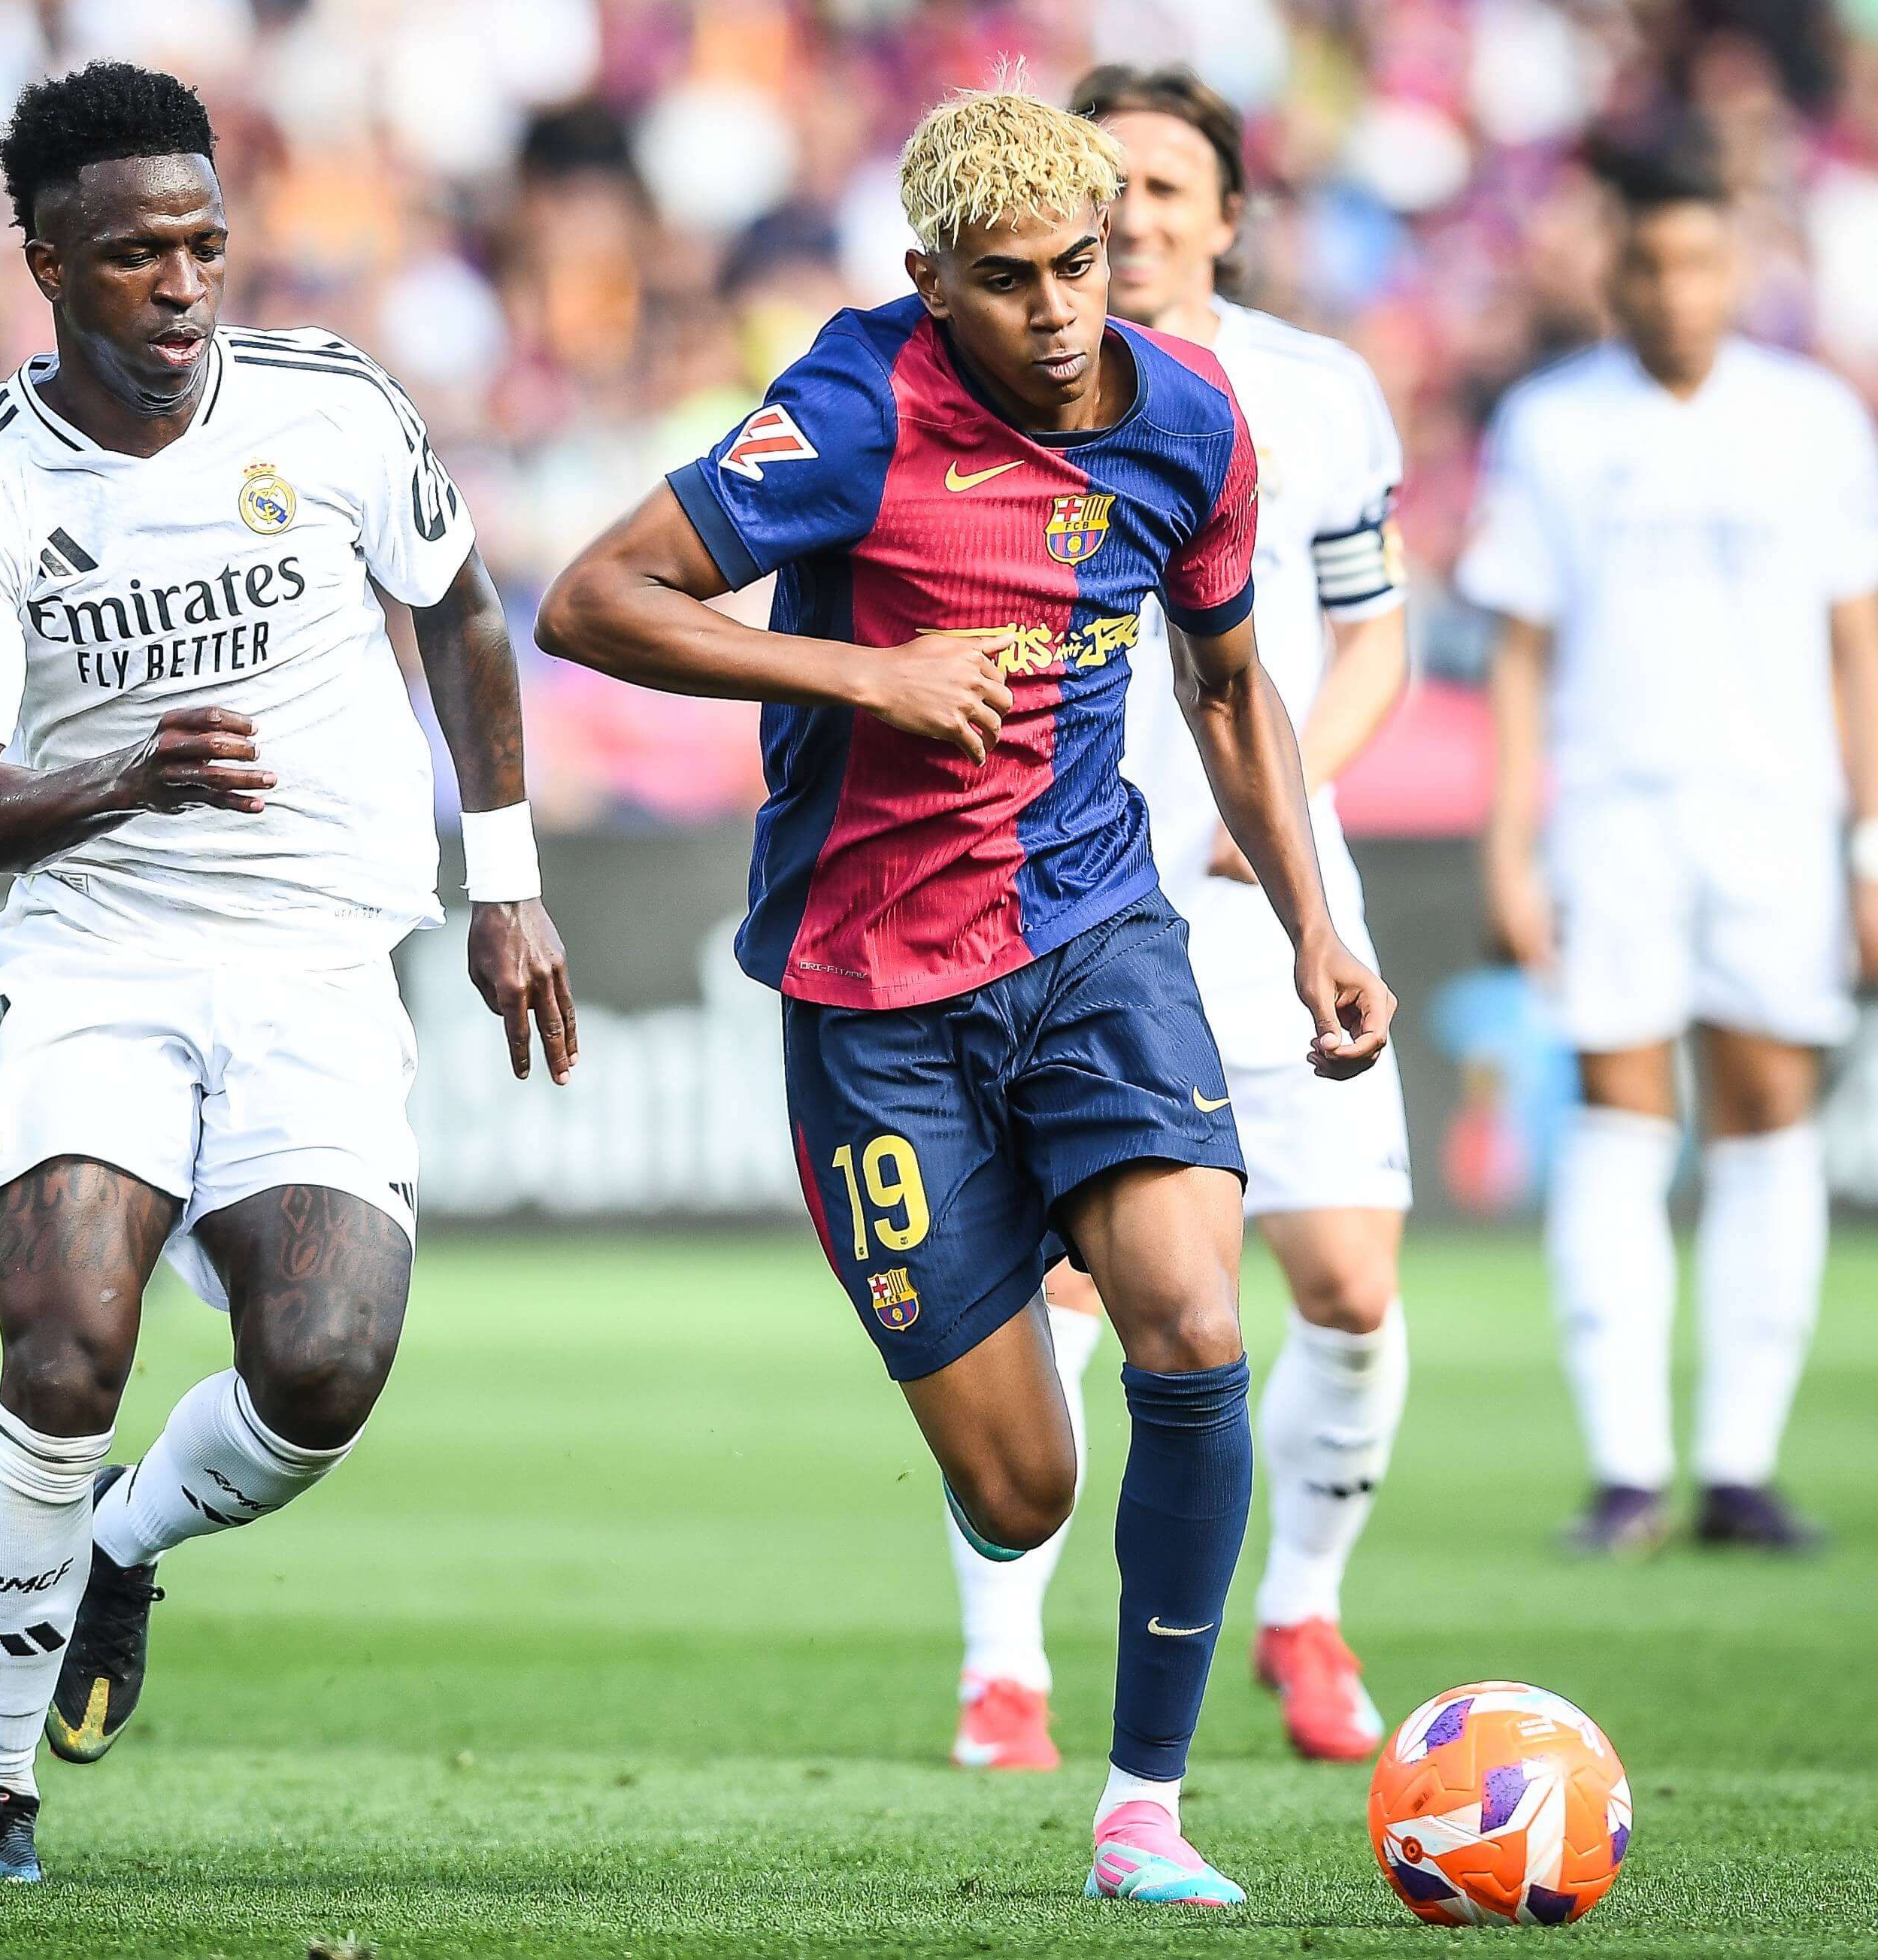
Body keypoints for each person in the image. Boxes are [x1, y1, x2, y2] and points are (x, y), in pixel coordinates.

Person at [538, 86, 1393, 1910]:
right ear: (932, 280)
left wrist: (1318, 922)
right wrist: (864, 674)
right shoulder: (852, 404)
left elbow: (1232, 689)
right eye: (1009, 281)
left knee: (1188, 1312)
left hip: (1098, 936)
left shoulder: (1191, 420)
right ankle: (1017, 1589)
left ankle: (1145, 1810)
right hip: (872, 993)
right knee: (1023, 1491)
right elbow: (593, 601)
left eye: (1081, 264)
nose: (1063, 311)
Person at [0, 62, 576, 1883]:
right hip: (97, 959)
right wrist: (126, 768)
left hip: (317, 957)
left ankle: (120, 1547)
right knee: (66, 1342)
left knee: (327, 1364)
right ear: (44, 261)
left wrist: (501, 878)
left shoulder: (335, 406)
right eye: (134, 257)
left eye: (204, 244)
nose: (184, 286)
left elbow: (458, 610)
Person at [924, 65, 1419, 1778]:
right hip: (1061, 901)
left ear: (1224, 213)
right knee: (1078, 1287)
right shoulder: (985, 389)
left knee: (1348, 1282)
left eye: (1161, 186)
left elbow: (1370, 640)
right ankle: (1008, 1674)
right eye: (1103, 182)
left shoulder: (1313, 393)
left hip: (1260, 880)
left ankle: (1303, 1605)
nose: (1128, 214)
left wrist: (1272, 812)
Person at [1458, 132, 1878, 1559]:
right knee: (1620, 1106)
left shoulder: (1814, 420)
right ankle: (1626, 1466)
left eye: (1701, 260)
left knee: (1771, 1104)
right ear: (1613, 270)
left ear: (1740, 268)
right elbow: (1520, 658)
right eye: (1649, 262)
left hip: (1778, 818)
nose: (1674, 288)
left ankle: (1737, 1462)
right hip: (1614, 816)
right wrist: (1511, 842)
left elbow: (1864, 645)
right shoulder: (1551, 424)